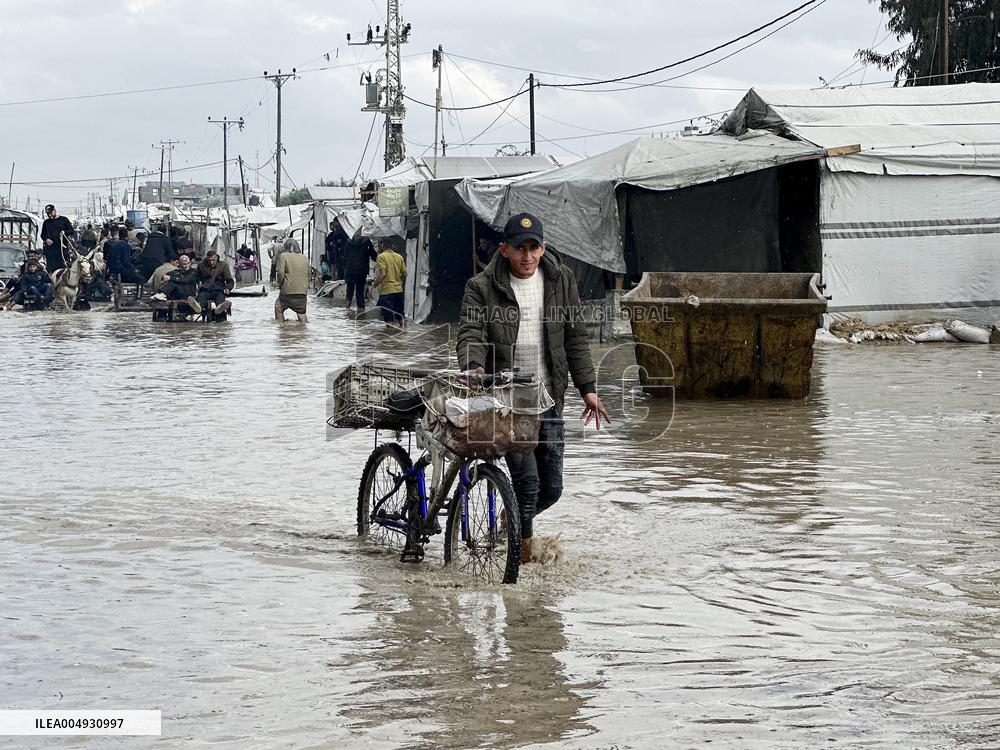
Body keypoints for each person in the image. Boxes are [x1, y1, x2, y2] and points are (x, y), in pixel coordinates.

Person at [457, 212, 611, 564]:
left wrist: (588, 387)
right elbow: (471, 332)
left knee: (551, 489)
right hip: (506, 400)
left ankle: (505, 524)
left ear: (543, 249)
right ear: (504, 250)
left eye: (533, 248)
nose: (527, 256)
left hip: (549, 397)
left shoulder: (561, 280)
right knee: (527, 484)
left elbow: (575, 338)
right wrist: (474, 366)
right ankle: (521, 562)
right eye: (519, 248)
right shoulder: (481, 287)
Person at [372, 238, 406, 329]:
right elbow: (404, 274)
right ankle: (402, 336)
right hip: (398, 290)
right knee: (400, 316)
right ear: (393, 246)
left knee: (389, 320)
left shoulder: (381, 257)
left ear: (383, 246)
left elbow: (382, 274)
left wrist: (374, 285)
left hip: (387, 292)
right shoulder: (399, 257)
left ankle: (390, 339)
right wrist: (400, 283)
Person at [274, 237, 309, 322]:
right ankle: (304, 328)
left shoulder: (283, 256)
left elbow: (280, 273)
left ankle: (282, 326)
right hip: (303, 292)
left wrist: (281, 284)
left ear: (285, 247)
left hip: (287, 291)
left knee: (278, 307)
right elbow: (309, 275)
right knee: (301, 312)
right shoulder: (304, 258)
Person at [196, 250, 235, 316]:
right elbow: (197, 277)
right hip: (205, 289)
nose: (211, 262)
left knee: (220, 300)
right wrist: (198, 282)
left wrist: (228, 288)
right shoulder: (201, 265)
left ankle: (219, 309)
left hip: (218, 289)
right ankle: (198, 307)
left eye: (213, 260)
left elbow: (230, 280)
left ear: (217, 258)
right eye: (209, 260)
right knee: (202, 297)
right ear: (207, 259)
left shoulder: (223, 265)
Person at [343, 235, 377, 310]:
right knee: (360, 291)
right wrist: (381, 259)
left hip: (350, 270)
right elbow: (373, 255)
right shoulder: (367, 242)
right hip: (362, 270)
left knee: (349, 290)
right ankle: (361, 311)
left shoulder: (348, 242)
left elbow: (345, 257)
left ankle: (347, 309)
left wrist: (346, 269)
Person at [40, 204, 76, 272]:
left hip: (62, 249)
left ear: (55, 211)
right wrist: (46, 239)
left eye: (51, 213)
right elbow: (42, 234)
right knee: (52, 269)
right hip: (51, 250)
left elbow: (72, 231)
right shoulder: (46, 222)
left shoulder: (64, 220)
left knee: (63, 268)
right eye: (48, 214)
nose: (50, 215)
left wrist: (64, 232)